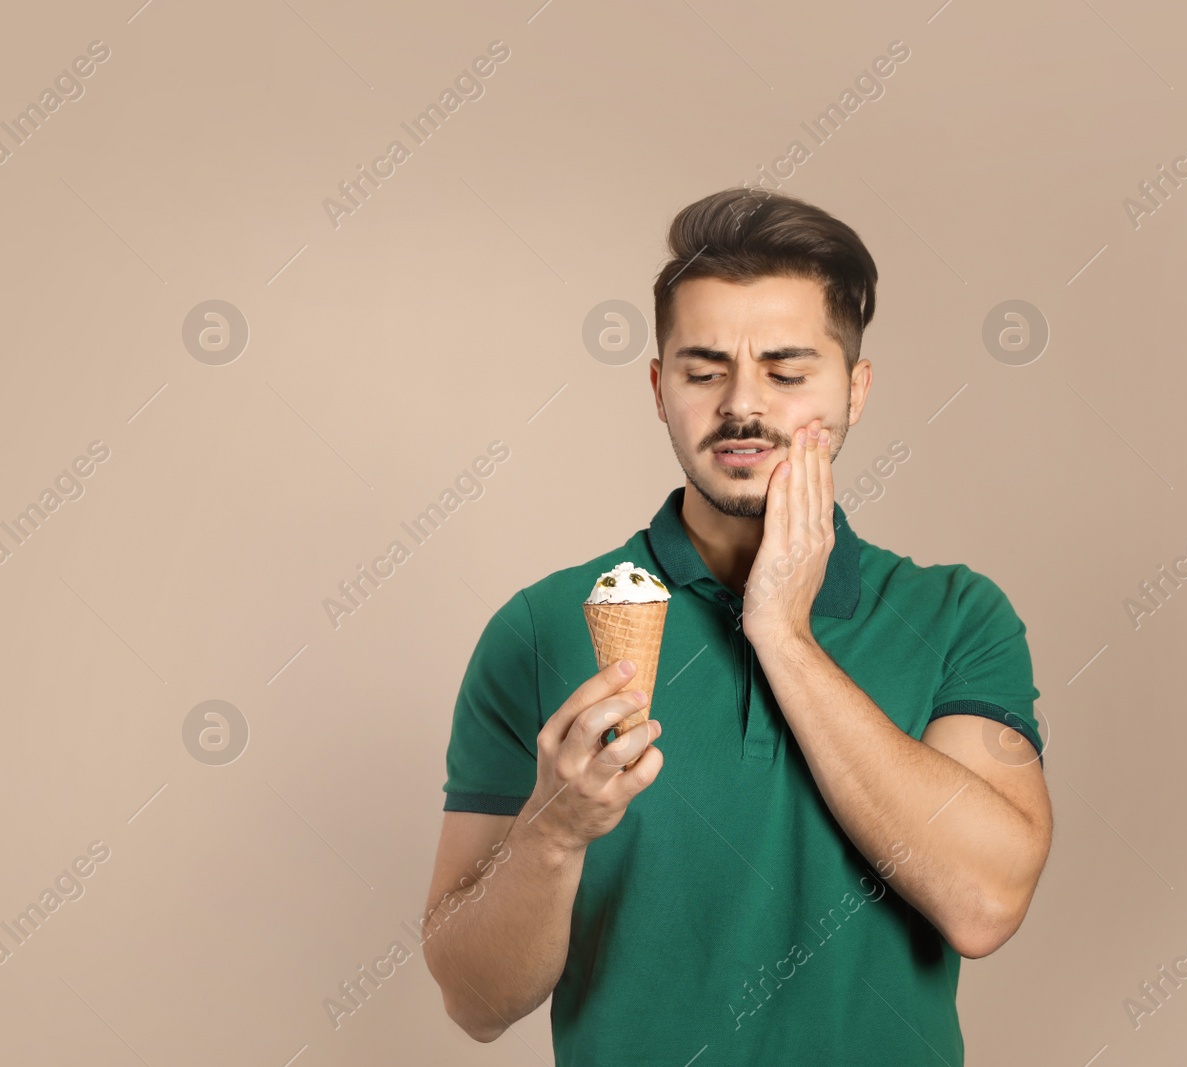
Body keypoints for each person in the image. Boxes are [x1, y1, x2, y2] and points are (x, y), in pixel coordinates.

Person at [421, 188, 1052, 1066]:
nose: (743, 406)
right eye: (704, 369)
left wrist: (784, 635)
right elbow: (474, 999)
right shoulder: (540, 629)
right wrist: (555, 832)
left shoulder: (955, 615)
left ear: (856, 389)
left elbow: (984, 903)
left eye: (789, 373)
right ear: (657, 387)